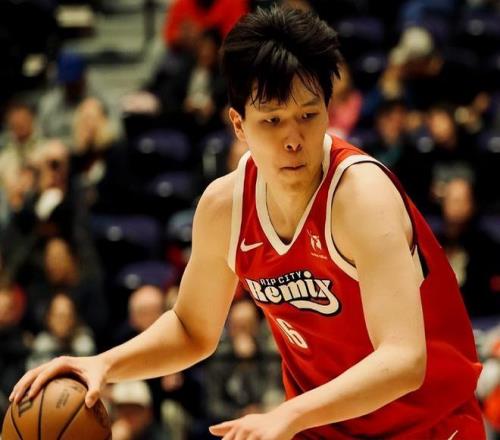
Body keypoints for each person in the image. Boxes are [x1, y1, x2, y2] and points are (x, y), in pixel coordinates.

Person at [10, 7, 484, 439]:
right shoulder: (225, 207)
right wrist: (103, 364)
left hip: (431, 427)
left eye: (308, 114)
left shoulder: (361, 197)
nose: (293, 138)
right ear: (238, 124)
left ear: (328, 108)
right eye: (272, 121)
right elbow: (192, 329)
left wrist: (288, 414)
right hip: (320, 428)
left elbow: (404, 360)